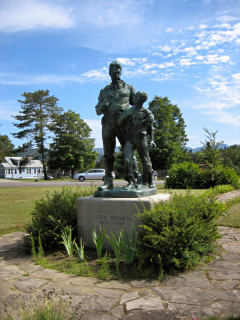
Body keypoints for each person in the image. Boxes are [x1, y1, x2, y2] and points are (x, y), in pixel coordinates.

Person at [95, 61, 136, 190]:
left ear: (121, 72)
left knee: (129, 152)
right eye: (113, 71)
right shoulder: (104, 91)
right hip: (108, 123)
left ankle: (132, 179)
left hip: (124, 123)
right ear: (109, 73)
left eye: (118, 71)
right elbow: (97, 110)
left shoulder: (129, 88)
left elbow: (137, 104)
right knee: (108, 154)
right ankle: (108, 180)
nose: (116, 73)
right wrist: (104, 105)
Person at [118, 91, 155, 188]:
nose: (133, 97)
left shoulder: (146, 112)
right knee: (127, 159)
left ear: (140, 99)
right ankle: (131, 181)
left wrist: (151, 140)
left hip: (141, 138)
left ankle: (149, 181)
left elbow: (151, 128)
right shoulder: (129, 110)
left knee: (145, 161)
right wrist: (124, 116)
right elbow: (120, 122)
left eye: (136, 96)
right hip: (130, 138)